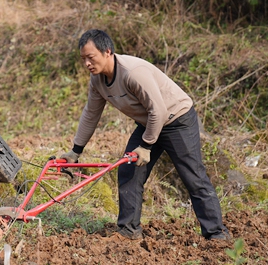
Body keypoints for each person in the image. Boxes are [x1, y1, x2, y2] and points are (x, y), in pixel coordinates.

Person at [61, 29, 231, 241]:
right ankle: (128, 231)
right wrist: (76, 151)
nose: (87, 63)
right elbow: (91, 114)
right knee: (129, 170)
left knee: (192, 176)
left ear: (107, 52)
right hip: (149, 122)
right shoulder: (97, 81)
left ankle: (217, 235)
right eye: (83, 59)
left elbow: (158, 110)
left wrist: (146, 146)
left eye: (90, 57)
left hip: (176, 119)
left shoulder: (133, 72)